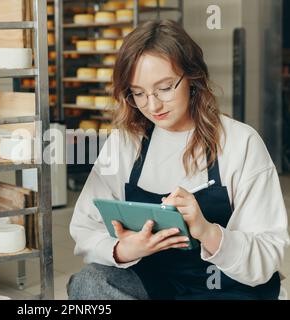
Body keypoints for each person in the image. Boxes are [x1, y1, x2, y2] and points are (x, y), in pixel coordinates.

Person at [67, 20, 290, 300]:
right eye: (138, 93)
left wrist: (208, 232)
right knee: (88, 283)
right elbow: (85, 227)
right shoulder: (124, 143)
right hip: (156, 286)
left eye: (165, 88)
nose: (153, 105)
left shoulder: (240, 143)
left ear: (193, 77)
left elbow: (267, 254)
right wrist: (125, 249)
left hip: (228, 289)